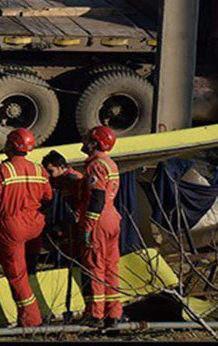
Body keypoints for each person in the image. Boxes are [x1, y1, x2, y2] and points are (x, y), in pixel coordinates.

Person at [0, 129, 53, 328]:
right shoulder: (39, 170)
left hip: (12, 228)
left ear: (10, 145)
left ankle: (30, 321)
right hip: (35, 225)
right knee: (29, 268)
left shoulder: (2, 171)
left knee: (17, 276)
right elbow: (48, 199)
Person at [75, 126, 123, 329]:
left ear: (94, 143)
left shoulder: (95, 166)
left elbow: (97, 197)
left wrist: (88, 225)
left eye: (88, 139)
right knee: (111, 267)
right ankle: (113, 314)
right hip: (112, 218)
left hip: (99, 220)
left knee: (95, 267)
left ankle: (96, 315)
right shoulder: (110, 164)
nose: (84, 142)